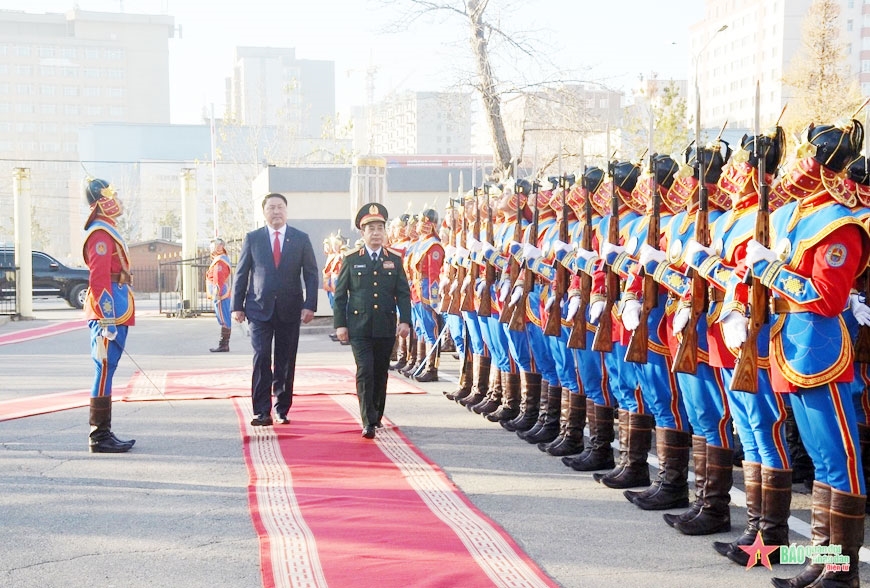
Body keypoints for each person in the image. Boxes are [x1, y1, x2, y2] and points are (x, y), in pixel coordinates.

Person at [232, 193, 318, 427]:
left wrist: (310, 305)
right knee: (261, 356)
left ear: (286, 211)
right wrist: (236, 306)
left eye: (280, 207)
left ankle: (282, 408)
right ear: (264, 212)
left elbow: (311, 273)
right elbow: (241, 273)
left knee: (285, 360)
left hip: (290, 310)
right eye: (271, 208)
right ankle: (261, 411)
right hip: (258, 309)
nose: (276, 211)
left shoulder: (300, 238)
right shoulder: (253, 238)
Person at [333, 202, 412, 439]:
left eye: (380, 228)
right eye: (371, 229)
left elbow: (403, 292)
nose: (376, 232)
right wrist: (340, 324)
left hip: (385, 326)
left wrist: (405, 321)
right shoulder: (351, 259)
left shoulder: (395, 259)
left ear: (385, 231)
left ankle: (376, 414)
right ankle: (367, 420)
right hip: (359, 327)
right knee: (365, 370)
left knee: (380, 371)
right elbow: (340, 295)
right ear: (362, 232)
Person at [82, 177, 136, 453]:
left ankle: (104, 432)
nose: (118, 200)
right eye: (111, 195)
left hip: (117, 303)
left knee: (108, 369)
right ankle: (99, 435)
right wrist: (106, 318)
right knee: (104, 369)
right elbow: (99, 278)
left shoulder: (108, 229)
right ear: (101, 200)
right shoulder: (100, 233)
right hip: (109, 308)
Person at [205, 237, 233, 352]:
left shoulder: (219, 261)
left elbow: (218, 278)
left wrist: (217, 294)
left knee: (224, 318)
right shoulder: (221, 259)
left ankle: (224, 345)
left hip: (221, 294)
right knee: (224, 318)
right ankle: (224, 344)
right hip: (221, 293)